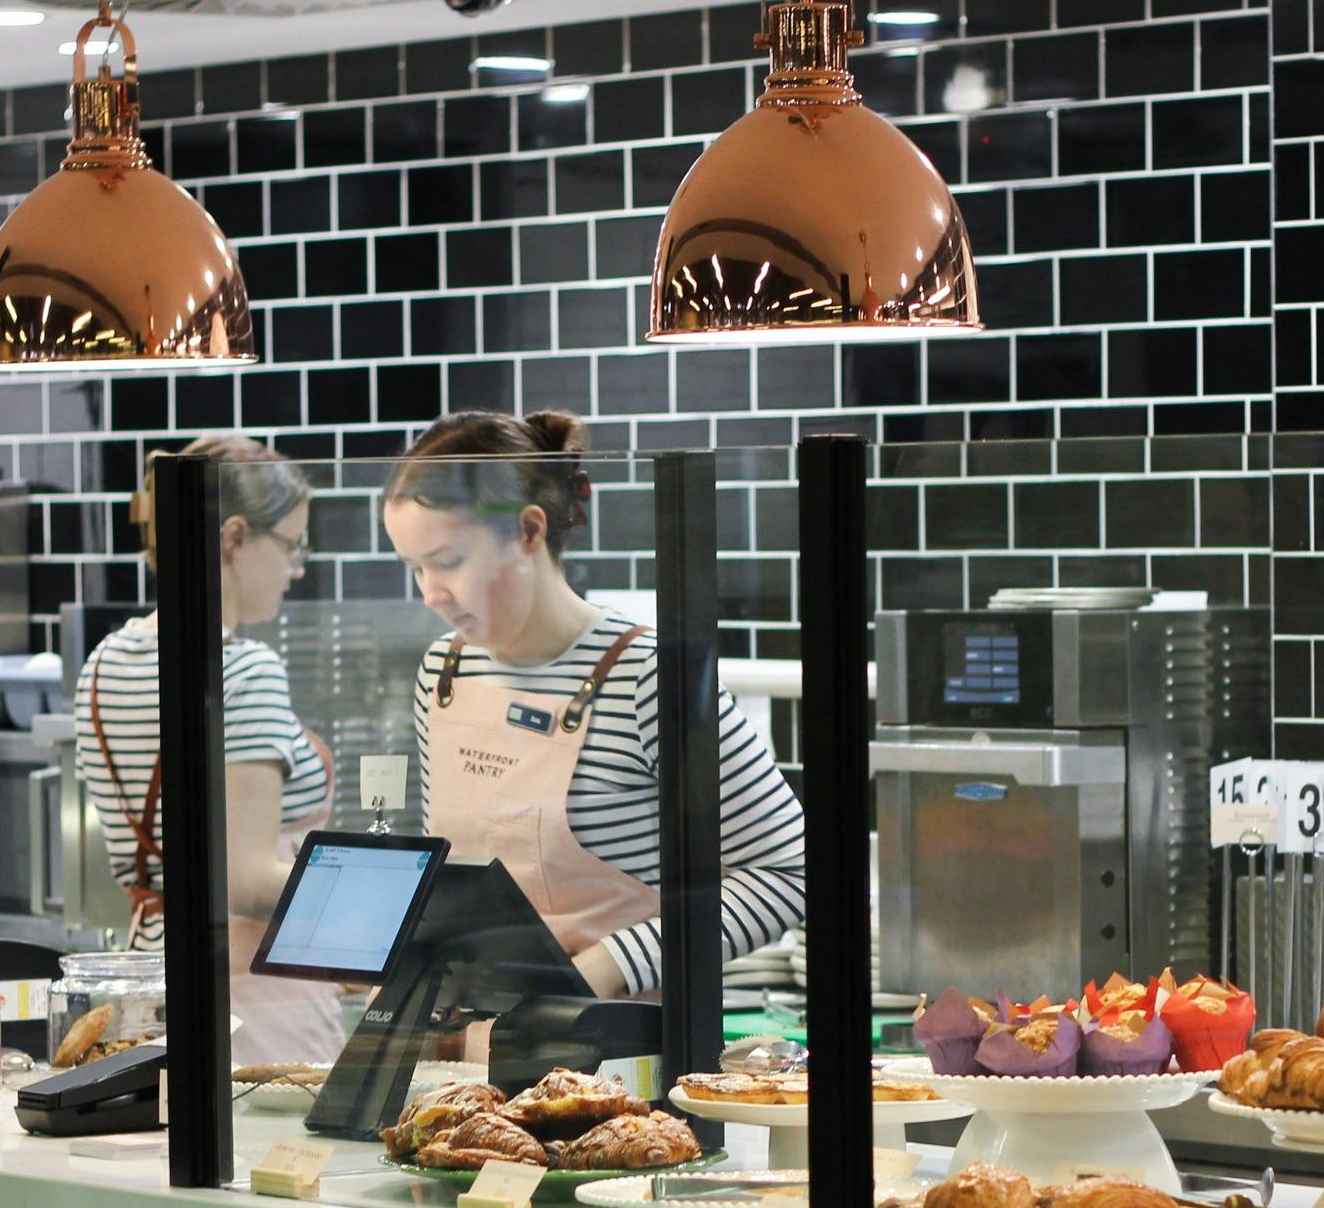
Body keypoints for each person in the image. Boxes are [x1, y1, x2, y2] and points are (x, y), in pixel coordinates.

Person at [383, 410, 806, 1002]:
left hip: (619, 1055)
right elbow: (451, 878)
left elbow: (789, 873)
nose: (431, 593)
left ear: (529, 531)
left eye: (449, 562)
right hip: (470, 1046)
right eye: (415, 568)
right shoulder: (444, 671)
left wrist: (604, 968)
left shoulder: (649, 676)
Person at [77, 434, 339, 1063]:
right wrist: (381, 912)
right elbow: (244, 880)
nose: (297, 567)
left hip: (147, 978)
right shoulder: (243, 668)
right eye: (292, 545)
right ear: (234, 537)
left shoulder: (103, 661)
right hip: (260, 996)